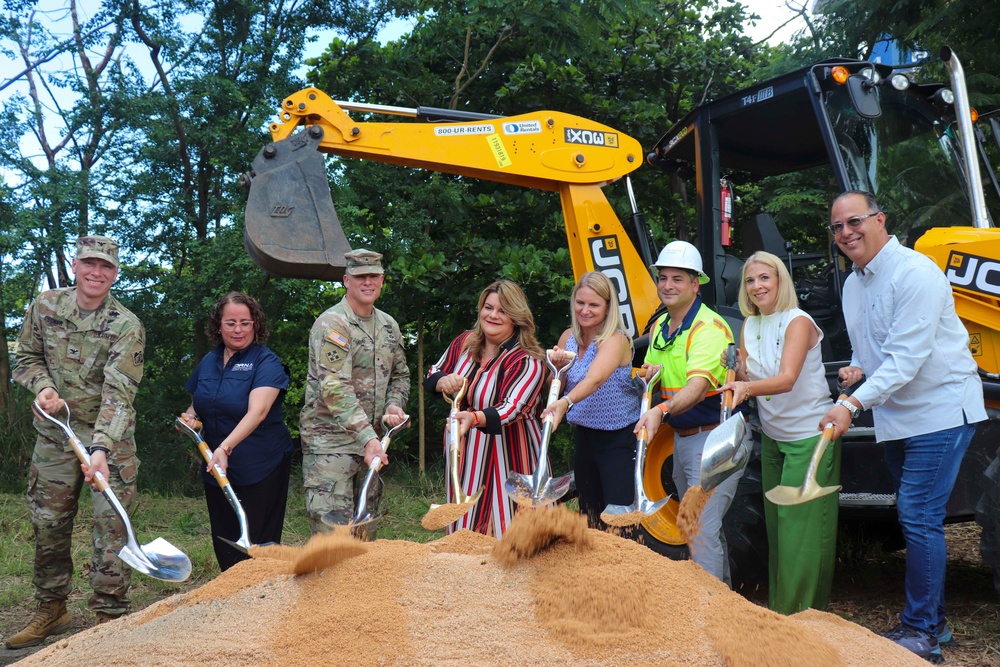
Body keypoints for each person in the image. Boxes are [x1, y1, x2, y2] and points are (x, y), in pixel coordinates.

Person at [818, 190, 986, 662]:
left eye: (855, 221)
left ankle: (921, 635)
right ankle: (935, 622)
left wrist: (850, 404)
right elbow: (872, 349)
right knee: (915, 516)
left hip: (939, 410)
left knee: (917, 515)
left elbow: (907, 359)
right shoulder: (853, 285)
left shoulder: (914, 273)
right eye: (837, 227)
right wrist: (855, 369)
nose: (846, 233)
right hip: (896, 415)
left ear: (880, 220)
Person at [8, 236, 145, 648]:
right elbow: (25, 357)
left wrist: (100, 449)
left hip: (111, 441)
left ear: (115, 273)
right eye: (89, 263)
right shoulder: (46, 306)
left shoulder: (126, 325)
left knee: (112, 528)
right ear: (75, 265)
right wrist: (43, 389)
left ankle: (108, 616)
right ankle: (52, 609)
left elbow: (119, 395)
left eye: (106, 267)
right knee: (48, 525)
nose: (96, 272)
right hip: (54, 437)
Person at [718, 251, 839, 614]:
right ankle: (779, 611)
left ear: (780, 280)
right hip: (772, 436)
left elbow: (785, 380)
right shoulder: (749, 325)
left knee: (799, 532)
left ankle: (802, 616)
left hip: (809, 434)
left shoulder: (797, 321)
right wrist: (735, 370)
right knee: (777, 528)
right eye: (750, 281)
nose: (757, 287)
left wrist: (745, 388)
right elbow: (747, 378)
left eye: (764, 278)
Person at [634, 240, 742, 586]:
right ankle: (724, 605)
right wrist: (643, 376)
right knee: (700, 527)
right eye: (663, 278)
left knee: (698, 528)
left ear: (696, 284)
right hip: (683, 439)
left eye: (677, 279)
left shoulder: (707, 328)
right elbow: (655, 372)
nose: (667, 285)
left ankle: (709, 615)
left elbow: (696, 388)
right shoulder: (662, 328)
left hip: (713, 438)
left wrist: (661, 411)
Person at [179, 292, 293, 571]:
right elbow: (200, 403)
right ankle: (230, 598)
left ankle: (262, 599)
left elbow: (258, 412)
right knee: (226, 539)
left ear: (256, 324)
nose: (238, 329)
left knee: (257, 544)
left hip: (261, 465)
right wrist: (189, 417)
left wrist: (225, 447)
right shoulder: (209, 361)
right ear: (218, 325)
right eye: (230, 323)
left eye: (245, 322)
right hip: (217, 467)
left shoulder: (266, 361)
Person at [300, 249, 410, 536]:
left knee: (364, 539)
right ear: (346, 280)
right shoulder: (333, 324)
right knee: (332, 539)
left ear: (382, 280)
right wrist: (368, 439)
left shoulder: (388, 326)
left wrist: (394, 406)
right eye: (360, 276)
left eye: (374, 275)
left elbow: (400, 375)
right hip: (331, 446)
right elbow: (334, 387)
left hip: (371, 446)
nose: (367, 282)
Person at [424, 280, 546, 538]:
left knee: (513, 527)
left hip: (512, 453)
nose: (493, 315)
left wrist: (473, 417)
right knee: (465, 521)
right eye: (488, 307)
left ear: (516, 317)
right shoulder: (465, 342)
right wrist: (442, 381)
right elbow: (434, 371)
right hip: (467, 452)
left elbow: (511, 408)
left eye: (502, 310)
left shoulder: (528, 359)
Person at [541, 271, 641, 538]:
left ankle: (625, 572)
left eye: (594, 305)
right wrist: (556, 369)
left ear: (608, 307)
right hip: (585, 435)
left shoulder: (616, 340)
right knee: (590, 513)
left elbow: (595, 379)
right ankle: (593, 575)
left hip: (618, 438)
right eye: (580, 303)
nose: (585, 310)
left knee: (619, 519)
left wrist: (565, 403)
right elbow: (557, 382)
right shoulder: (568, 338)